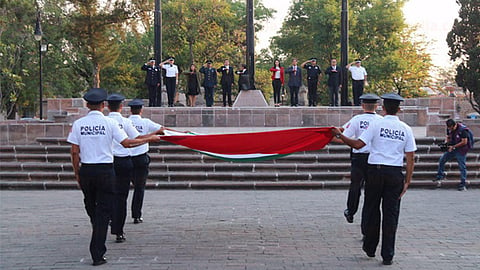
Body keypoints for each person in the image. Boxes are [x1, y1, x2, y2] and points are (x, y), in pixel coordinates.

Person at [67, 88, 160, 266]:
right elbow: (127, 143)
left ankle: (98, 227)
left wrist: (77, 172)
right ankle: (97, 252)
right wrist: (149, 139)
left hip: (87, 169)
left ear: (87, 105)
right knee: (104, 209)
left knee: (90, 204)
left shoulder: (79, 124)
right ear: (103, 105)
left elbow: (74, 151)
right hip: (105, 170)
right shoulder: (109, 124)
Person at [332, 93, 416, 266]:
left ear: (383, 107)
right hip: (395, 173)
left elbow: (357, 145)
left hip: (375, 170)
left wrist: (339, 135)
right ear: (399, 109)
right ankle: (388, 254)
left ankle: (370, 246)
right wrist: (407, 180)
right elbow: (410, 157)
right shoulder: (406, 128)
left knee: (371, 209)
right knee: (391, 214)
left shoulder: (376, 124)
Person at [128, 99, 187, 223]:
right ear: (141, 110)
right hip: (140, 157)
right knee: (139, 188)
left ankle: (115, 216)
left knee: (120, 189)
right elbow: (163, 129)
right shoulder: (145, 122)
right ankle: (136, 215)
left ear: (130, 110)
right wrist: (182, 134)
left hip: (125, 157)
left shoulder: (125, 122)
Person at [340, 94, 383, 233]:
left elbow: (345, 135)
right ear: (376, 106)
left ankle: (351, 210)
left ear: (362, 105)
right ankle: (367, 229)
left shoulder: (357, 120)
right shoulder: (381, 121)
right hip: (374, 159)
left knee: (355, 186)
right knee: (371, 192)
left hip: (358, 157)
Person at [106, 93, 140, 244]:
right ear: (121, 106)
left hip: (107, 161)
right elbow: (135, 138)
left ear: (107, 106)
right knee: (121, 196)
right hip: (123, 160)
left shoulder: (105, 121)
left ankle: (109, 219)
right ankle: (118, 230)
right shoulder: (125, 122)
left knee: (108, 194)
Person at [434, 119, 471, 191]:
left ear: (455, 125)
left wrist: (453, 147)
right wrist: (446, 144)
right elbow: (448, 136)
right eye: (448, 128)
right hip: (452, 148)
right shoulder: (449, 129)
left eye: (451, 128)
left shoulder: (463, 130)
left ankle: (463, 183)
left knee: (462, 166)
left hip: (461, 150)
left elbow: (464, 142)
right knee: (442, 160)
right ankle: (439, 175)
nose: (450, 129)